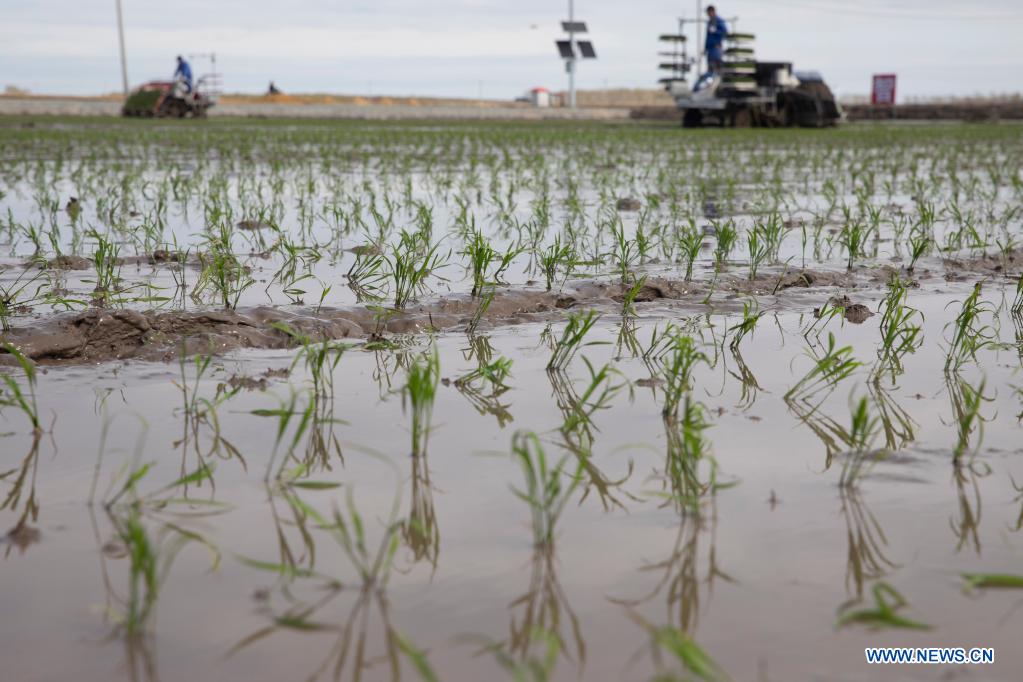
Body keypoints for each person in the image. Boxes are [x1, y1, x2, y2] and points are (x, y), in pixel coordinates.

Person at [704, 6, 728, 74]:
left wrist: (716, 31)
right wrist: (705, 48)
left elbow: (724, 32)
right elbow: (707, 37)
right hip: (710, 49)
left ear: (712, 11)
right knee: (710, 69)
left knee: (718, 68)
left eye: (708, 12)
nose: (708, 14)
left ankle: (719, 82)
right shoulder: (709, 22)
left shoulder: (719, 21)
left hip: (716, 48)